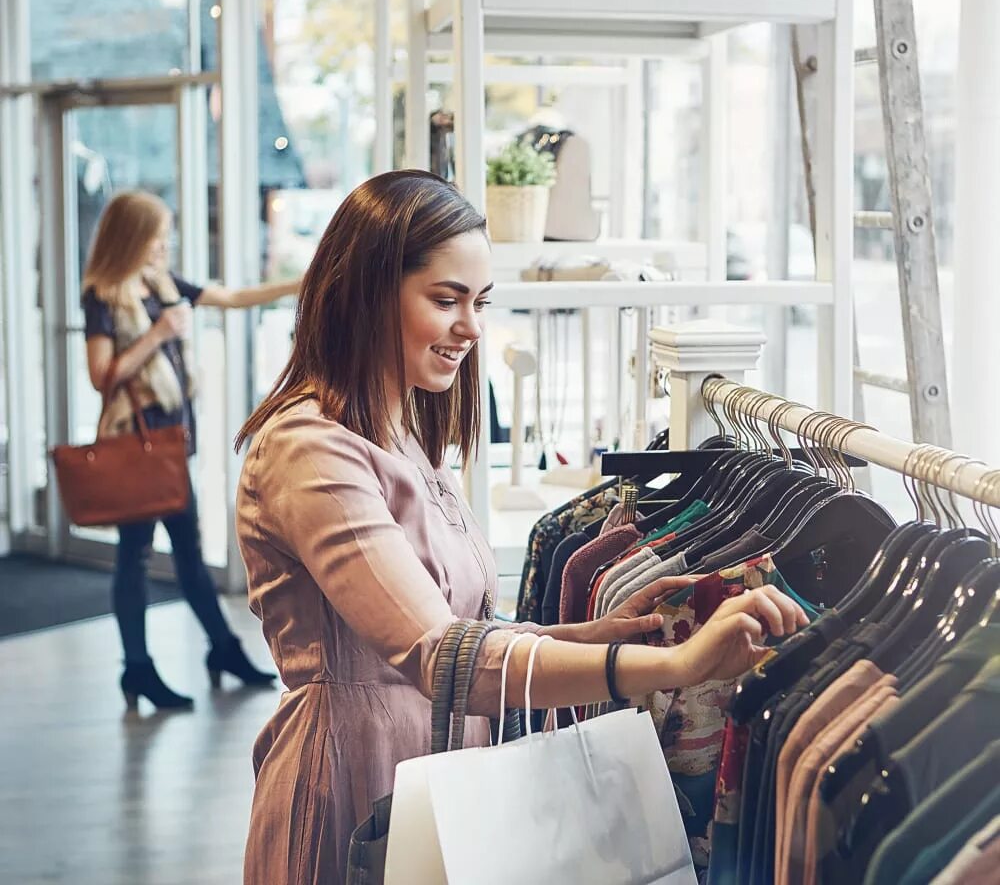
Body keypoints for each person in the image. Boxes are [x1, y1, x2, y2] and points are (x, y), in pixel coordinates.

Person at [234, 170, 810, 884]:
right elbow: (442, 657)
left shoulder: (402, 432)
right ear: (366, 292)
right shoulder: (309, 448)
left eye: (478, 302)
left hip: (435, 777)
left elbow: (463, 631)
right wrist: (673, 669)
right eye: (446, 300)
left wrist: (589, 636)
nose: (471, 327)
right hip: (354, 776)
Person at [82, 189, 301, 711]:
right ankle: (140, 667)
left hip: (171, 442)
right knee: (135, 555)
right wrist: (158, 333)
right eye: (157, 234)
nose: (164, 244)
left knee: (187, 549)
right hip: (137, 445)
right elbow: (101, 377)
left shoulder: (160, 284)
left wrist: (306, 280)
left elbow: (232, 298)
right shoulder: (105, 295)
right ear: (133, 236)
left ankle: (219, 649)